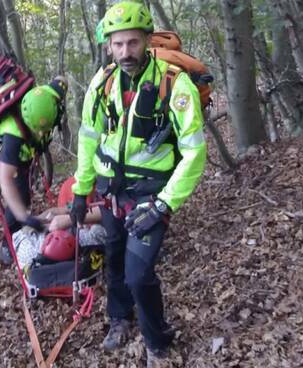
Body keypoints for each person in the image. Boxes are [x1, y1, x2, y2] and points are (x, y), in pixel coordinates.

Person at [70, 2, 207, 367]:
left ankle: (157, 340)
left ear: (147, 40)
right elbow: (88, 137)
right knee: (114, 256)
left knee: (139, 272)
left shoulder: (174, 87)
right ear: (109, 46)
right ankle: (119, 318)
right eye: (118, 45)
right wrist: (81, 192)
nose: (125, 52)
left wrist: (165, 204)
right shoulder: (103, 83)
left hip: (152, 195)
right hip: (112, 191)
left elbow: (195, 153)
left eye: (132, 43)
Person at [0, 78, 67, 264]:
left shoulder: (49, 96)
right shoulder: (13, 135)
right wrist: (23, 216)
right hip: (14, 160)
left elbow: (61, 81)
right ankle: (8, 241)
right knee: (19, 196)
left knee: (25, 195)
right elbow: (5, 179)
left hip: (26, 153)